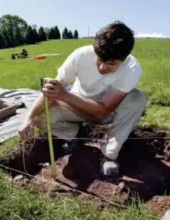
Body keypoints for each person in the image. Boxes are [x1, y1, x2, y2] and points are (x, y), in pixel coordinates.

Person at [18, 21, 146, 176]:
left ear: (124, 59)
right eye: (99, 60)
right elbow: (53, 90)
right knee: (40, 116)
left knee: (136, 99)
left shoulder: (131, 68)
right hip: (76, 107)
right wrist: (29, 118)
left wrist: (64, 94)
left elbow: (102, 111)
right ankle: (74, 135)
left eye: (111, 64)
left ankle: (109, 154)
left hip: (107, 113)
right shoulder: (80, 56)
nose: (102, 68)